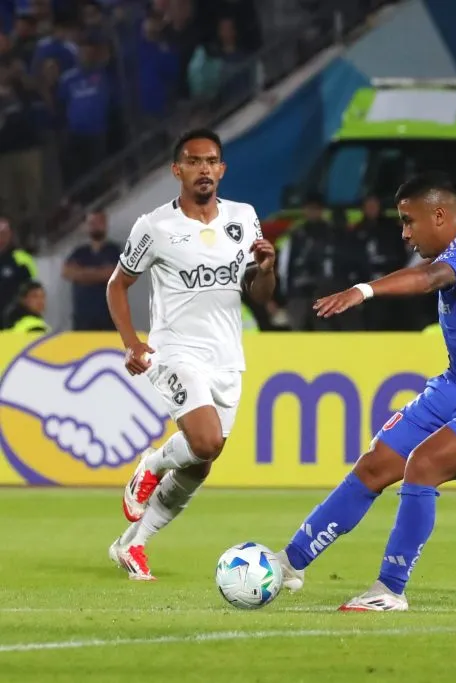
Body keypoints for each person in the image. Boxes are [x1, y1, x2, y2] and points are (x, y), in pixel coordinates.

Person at [274, 172, 456, 611]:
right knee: (376, 463)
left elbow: (427, 279)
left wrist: (363, 291)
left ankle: (389, 590)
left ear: (440, 215)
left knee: (423, 463)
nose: (404, 232)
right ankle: (290, 563)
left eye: (408, 221)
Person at [105, 128, 276, 580]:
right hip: (176, 350)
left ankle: (133, 545)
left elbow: (259, 292)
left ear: (222, 169)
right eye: (194, 161)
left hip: (227, 357)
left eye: (211, 161)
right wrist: (132, 342)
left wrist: (267, 267)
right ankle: (151, 464)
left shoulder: (244, 218)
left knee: (201, 463)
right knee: (204, 441)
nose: (204, 169)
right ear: (176, 169)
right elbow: (117, 284)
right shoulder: (155, 226)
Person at [62, 211, 121, 330]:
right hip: (83, 319)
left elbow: (114, 274)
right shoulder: (79, 252)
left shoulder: (114, 250)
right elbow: (66, 272)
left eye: (98, 222)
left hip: (108, 318)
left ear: (105, 224)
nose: (95, 226)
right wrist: (99, 273)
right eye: (92, 223)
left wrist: (82, 274)